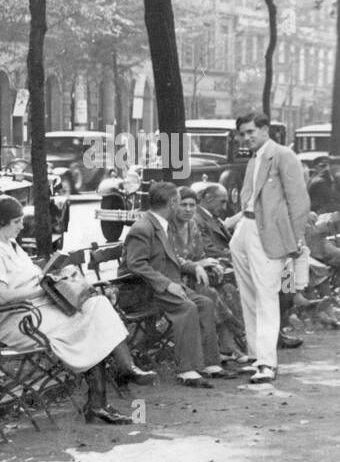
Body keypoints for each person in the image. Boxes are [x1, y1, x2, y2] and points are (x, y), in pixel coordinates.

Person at [0, 195, 154, 425]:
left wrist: (50, 277)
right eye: (17, 221)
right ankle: (101, 400)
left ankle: (125, 370)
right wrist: (41, 290)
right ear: (1, 222)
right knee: (87, 326)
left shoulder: (11, 244)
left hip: (40, 310)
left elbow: (29, 278)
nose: (21, 225)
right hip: (16, 321)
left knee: (97, 305)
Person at [227, 111, 310, 384]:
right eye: (242, 133)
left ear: (265, 130)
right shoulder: (255, 156)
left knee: (266, 297)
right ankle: (255, 357)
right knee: (249, 296)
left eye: (251, 131)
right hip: (245, 230)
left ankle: (267, 363)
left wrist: (294, 240)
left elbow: (299, 203)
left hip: (269, 235)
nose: (246, 137)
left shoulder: (283, 155)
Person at [122, 180, 227, 386]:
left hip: (164, 286)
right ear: (171, 203)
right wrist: (166, 284)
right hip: (144, 291)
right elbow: (135, 265)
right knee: (187, 307)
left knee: (205, 303)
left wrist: (193, 267)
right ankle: (186, 370)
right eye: (179, 202)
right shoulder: (143, 227)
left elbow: (173, 258)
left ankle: (208, 362)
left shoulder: (161, 225)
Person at [170, 187, 245, 362]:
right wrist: (203, 264)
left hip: (198, 275)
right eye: (184, 205)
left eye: (191, 205)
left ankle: (287, 317)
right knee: (213, 293)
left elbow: (199, 253)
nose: (188, 209)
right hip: (179, 280)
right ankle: (234, 337)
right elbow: (174, 258)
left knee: (227, 288)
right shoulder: (171, 228)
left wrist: (208, 264)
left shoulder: (194, 224)